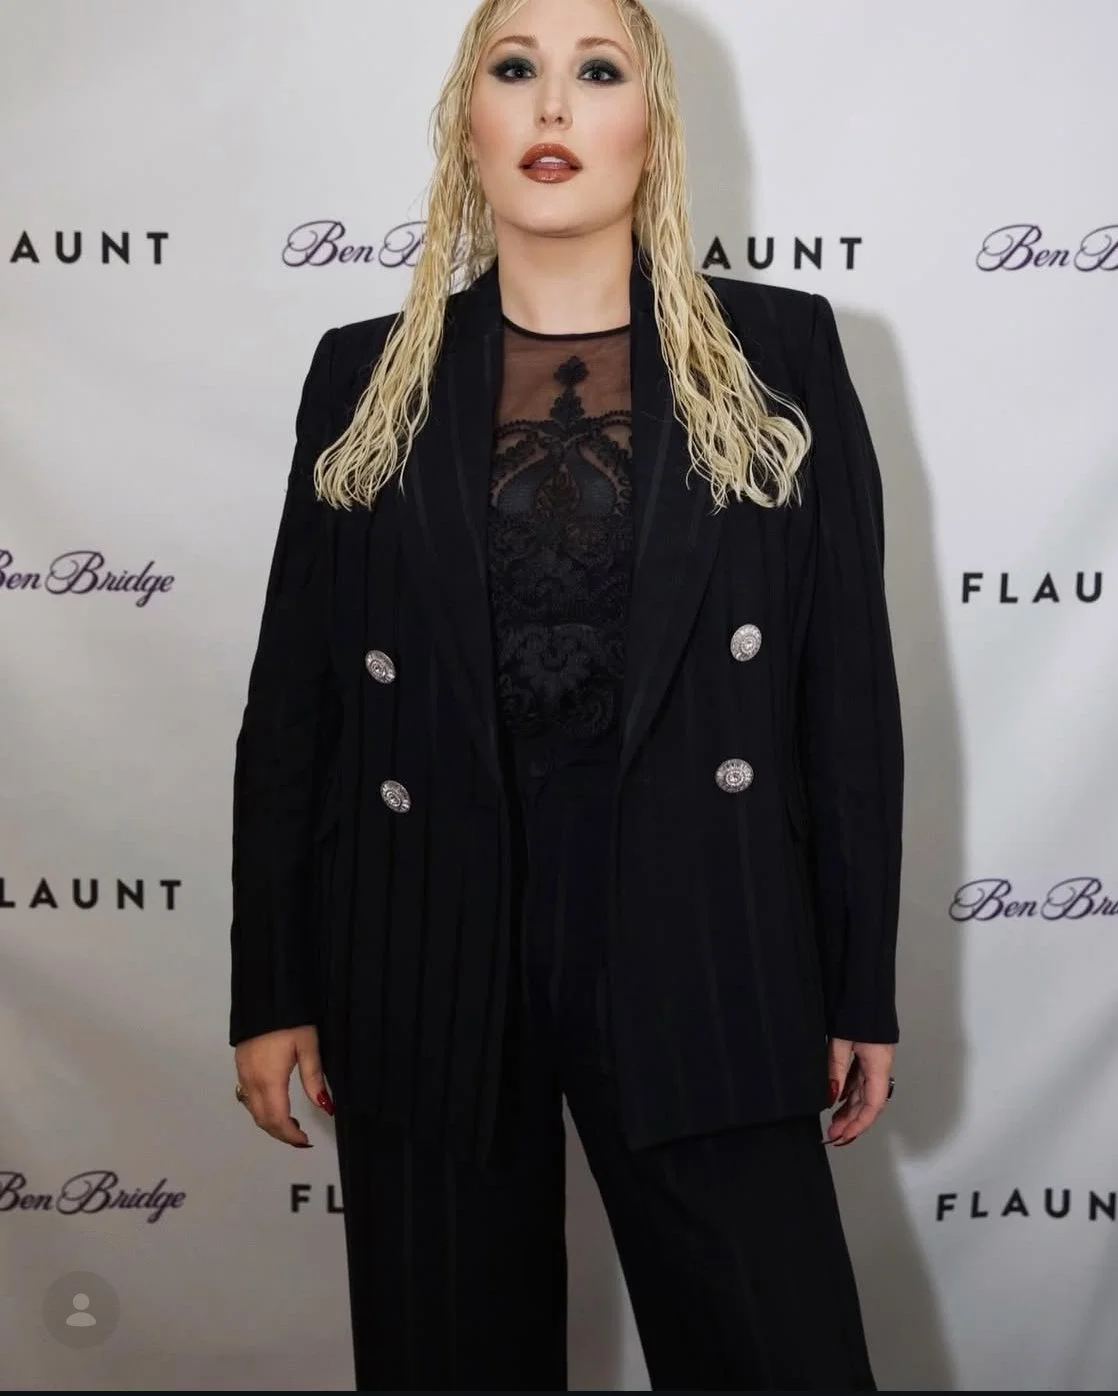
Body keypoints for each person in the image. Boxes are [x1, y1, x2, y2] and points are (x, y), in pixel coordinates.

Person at [228, 0, 904, 1389]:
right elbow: (296, 702)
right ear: (464, 126)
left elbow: (842, 695)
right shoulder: (366, 374)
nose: (551, 107)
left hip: (706, 927)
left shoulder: (780, 355)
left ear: (652, 124)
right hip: (422, 937)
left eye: (597, 71)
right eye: (514, 69)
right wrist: (270, 982)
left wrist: (858, 983)